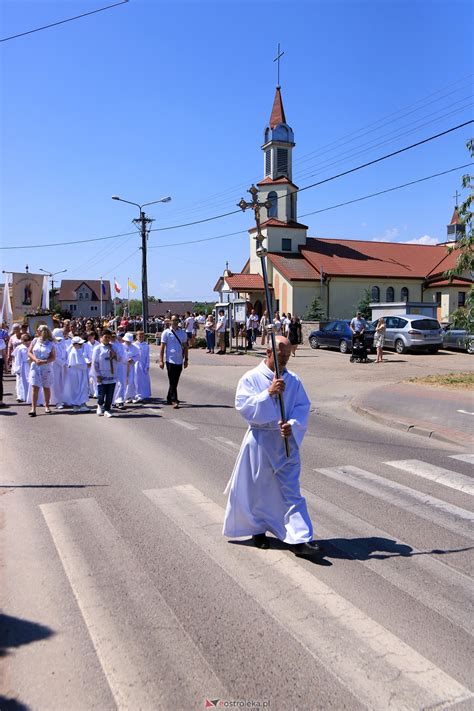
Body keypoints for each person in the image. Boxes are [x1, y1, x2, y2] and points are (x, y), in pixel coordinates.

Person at [223, 336, 321, 557]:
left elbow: (302, 407)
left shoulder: (294, 380)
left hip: (285, 443)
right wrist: (268, 393)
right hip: (260, 440)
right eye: (281, 356)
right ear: (268, 352)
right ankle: (258, 530)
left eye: (287, 356)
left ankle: (300, 538)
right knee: (259, 489)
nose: (285, 360)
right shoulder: (251, 378)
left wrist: (293, 426)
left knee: (291, 490)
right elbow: (244, 407)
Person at [159, 315, 188, 408]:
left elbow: (185, 347)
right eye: (173, 320)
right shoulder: (166, 333)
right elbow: (162, 347)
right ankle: (174, 399)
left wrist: (186, 359)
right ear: (170, 321)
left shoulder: (182, 333)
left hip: (179, 359)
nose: (175, 322)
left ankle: (169, 397)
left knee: (175, 381)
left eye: (176, 320)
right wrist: (161, 361)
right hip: (170, 360)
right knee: (172, 380)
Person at [27, 325, 56, 417]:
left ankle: (47, 405)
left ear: (42, 331)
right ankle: (33, 408)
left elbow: (53, 357)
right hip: (35, 366)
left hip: (46, 367)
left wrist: (45, 361)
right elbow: (29, 352)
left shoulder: (50, 343)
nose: (36, 331)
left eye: (38, 330)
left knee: (46, 387)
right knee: (35, 387)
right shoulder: (35, 340)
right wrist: (35, 360)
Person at [92, 329, 119, 418]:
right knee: (101, 393)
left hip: (111, 374)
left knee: (110, 393)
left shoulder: (113, 347)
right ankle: (100, 405)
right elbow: (95, 362)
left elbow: (120, 359)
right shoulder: (98, 348)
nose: (107, 339)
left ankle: (107, 409)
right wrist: (97, 374)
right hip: (102, 374)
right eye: (105, 337)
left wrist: (115, 355)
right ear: (101, 338)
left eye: (108, 337)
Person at [64, 336, 89, 412]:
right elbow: (76, 364)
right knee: (77, 388)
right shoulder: (74, 352)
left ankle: (81, 403)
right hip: (76, 373)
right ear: (74, 344)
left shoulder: (78, 351)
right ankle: (77, 404)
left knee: (81, 387)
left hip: (79, 372)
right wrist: (86, 365)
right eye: (79, 344)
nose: (81, 345)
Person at [51, 328, 68, 409]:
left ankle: (63, 399)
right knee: (56, 383)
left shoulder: (63, 343)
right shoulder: (52, 345)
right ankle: (57, 401)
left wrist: (65, 362)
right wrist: (61, 362)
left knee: (63, 383)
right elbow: (54, 356)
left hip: (63, 366)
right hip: (55, 366)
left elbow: (66, 353)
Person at [122, 332, 140, 402]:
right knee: (123, 381)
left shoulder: (135, 347)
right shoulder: (121, 346)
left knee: (131, 381)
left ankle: (131, 396)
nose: (128, 342)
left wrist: (132, 359)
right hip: (123, 366)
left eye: (129, 341)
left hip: (131, 366)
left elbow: (138, 356)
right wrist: (125, 360)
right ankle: (123, 396)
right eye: (127, 341)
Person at [13, 334, 31, 402]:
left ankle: (28, 396)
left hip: (29, 365)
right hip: (23, 366)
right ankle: (21, 396)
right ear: (22, 341)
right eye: (25, 340)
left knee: (29, 381)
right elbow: (17, 359)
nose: (27, 342)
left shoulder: (30, 347)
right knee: (21, 381)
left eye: (28, 340)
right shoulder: (20, 348)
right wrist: (17, 368)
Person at [134, 331, 151, 401]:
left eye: (142, 336)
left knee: (144, 380)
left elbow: (147, 356)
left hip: (143, 364)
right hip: (136, 364)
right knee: (136, 380)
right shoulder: (134, 345)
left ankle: (144, 394)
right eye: (139, 336)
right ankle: (136, 394)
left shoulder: (146, 345)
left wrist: (147, 365)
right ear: (136, 337)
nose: (140, 337)